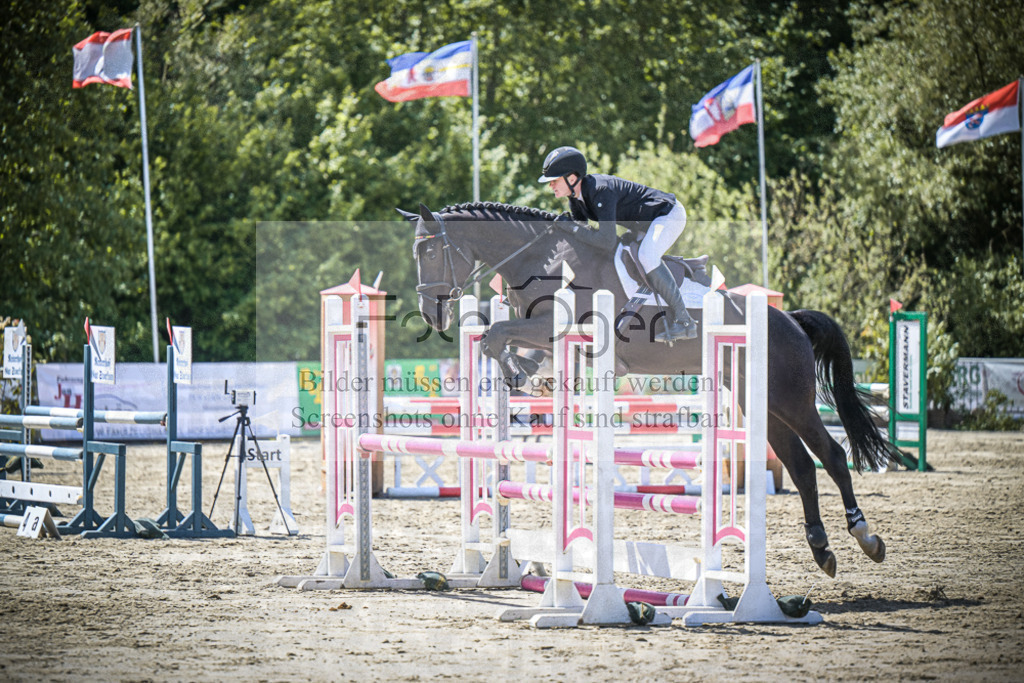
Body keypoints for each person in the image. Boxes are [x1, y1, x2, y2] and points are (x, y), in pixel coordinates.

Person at [538, 145, 697, 342]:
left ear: (571, 178)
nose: (551, 185)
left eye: (554, 181)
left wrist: (570, 228)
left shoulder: (600, 190)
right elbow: (583, 239)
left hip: (667, 214)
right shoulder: (576, 199)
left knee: (647, 256)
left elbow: (605, 241)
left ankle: (685, 321)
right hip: (642, 224)